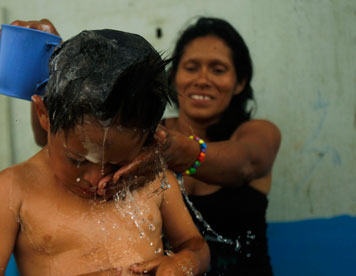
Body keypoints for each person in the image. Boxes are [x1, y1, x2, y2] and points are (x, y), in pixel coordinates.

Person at [0, 27, 210, 276]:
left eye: (118, 164)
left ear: (150, 139)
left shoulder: (153, 179)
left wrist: (184, 263)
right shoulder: (14, 188)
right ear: (44, 115)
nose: (98, 180)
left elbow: (196, 246)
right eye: (78, 159)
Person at [113, 17, 282, 275]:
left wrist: (181, 151)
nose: (202, 79)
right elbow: (70, 146)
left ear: (240, 82)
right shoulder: (147, 132)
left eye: (218, 69)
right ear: (174, 77)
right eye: (191, 68)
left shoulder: (259, 133)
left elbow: (245, 164)